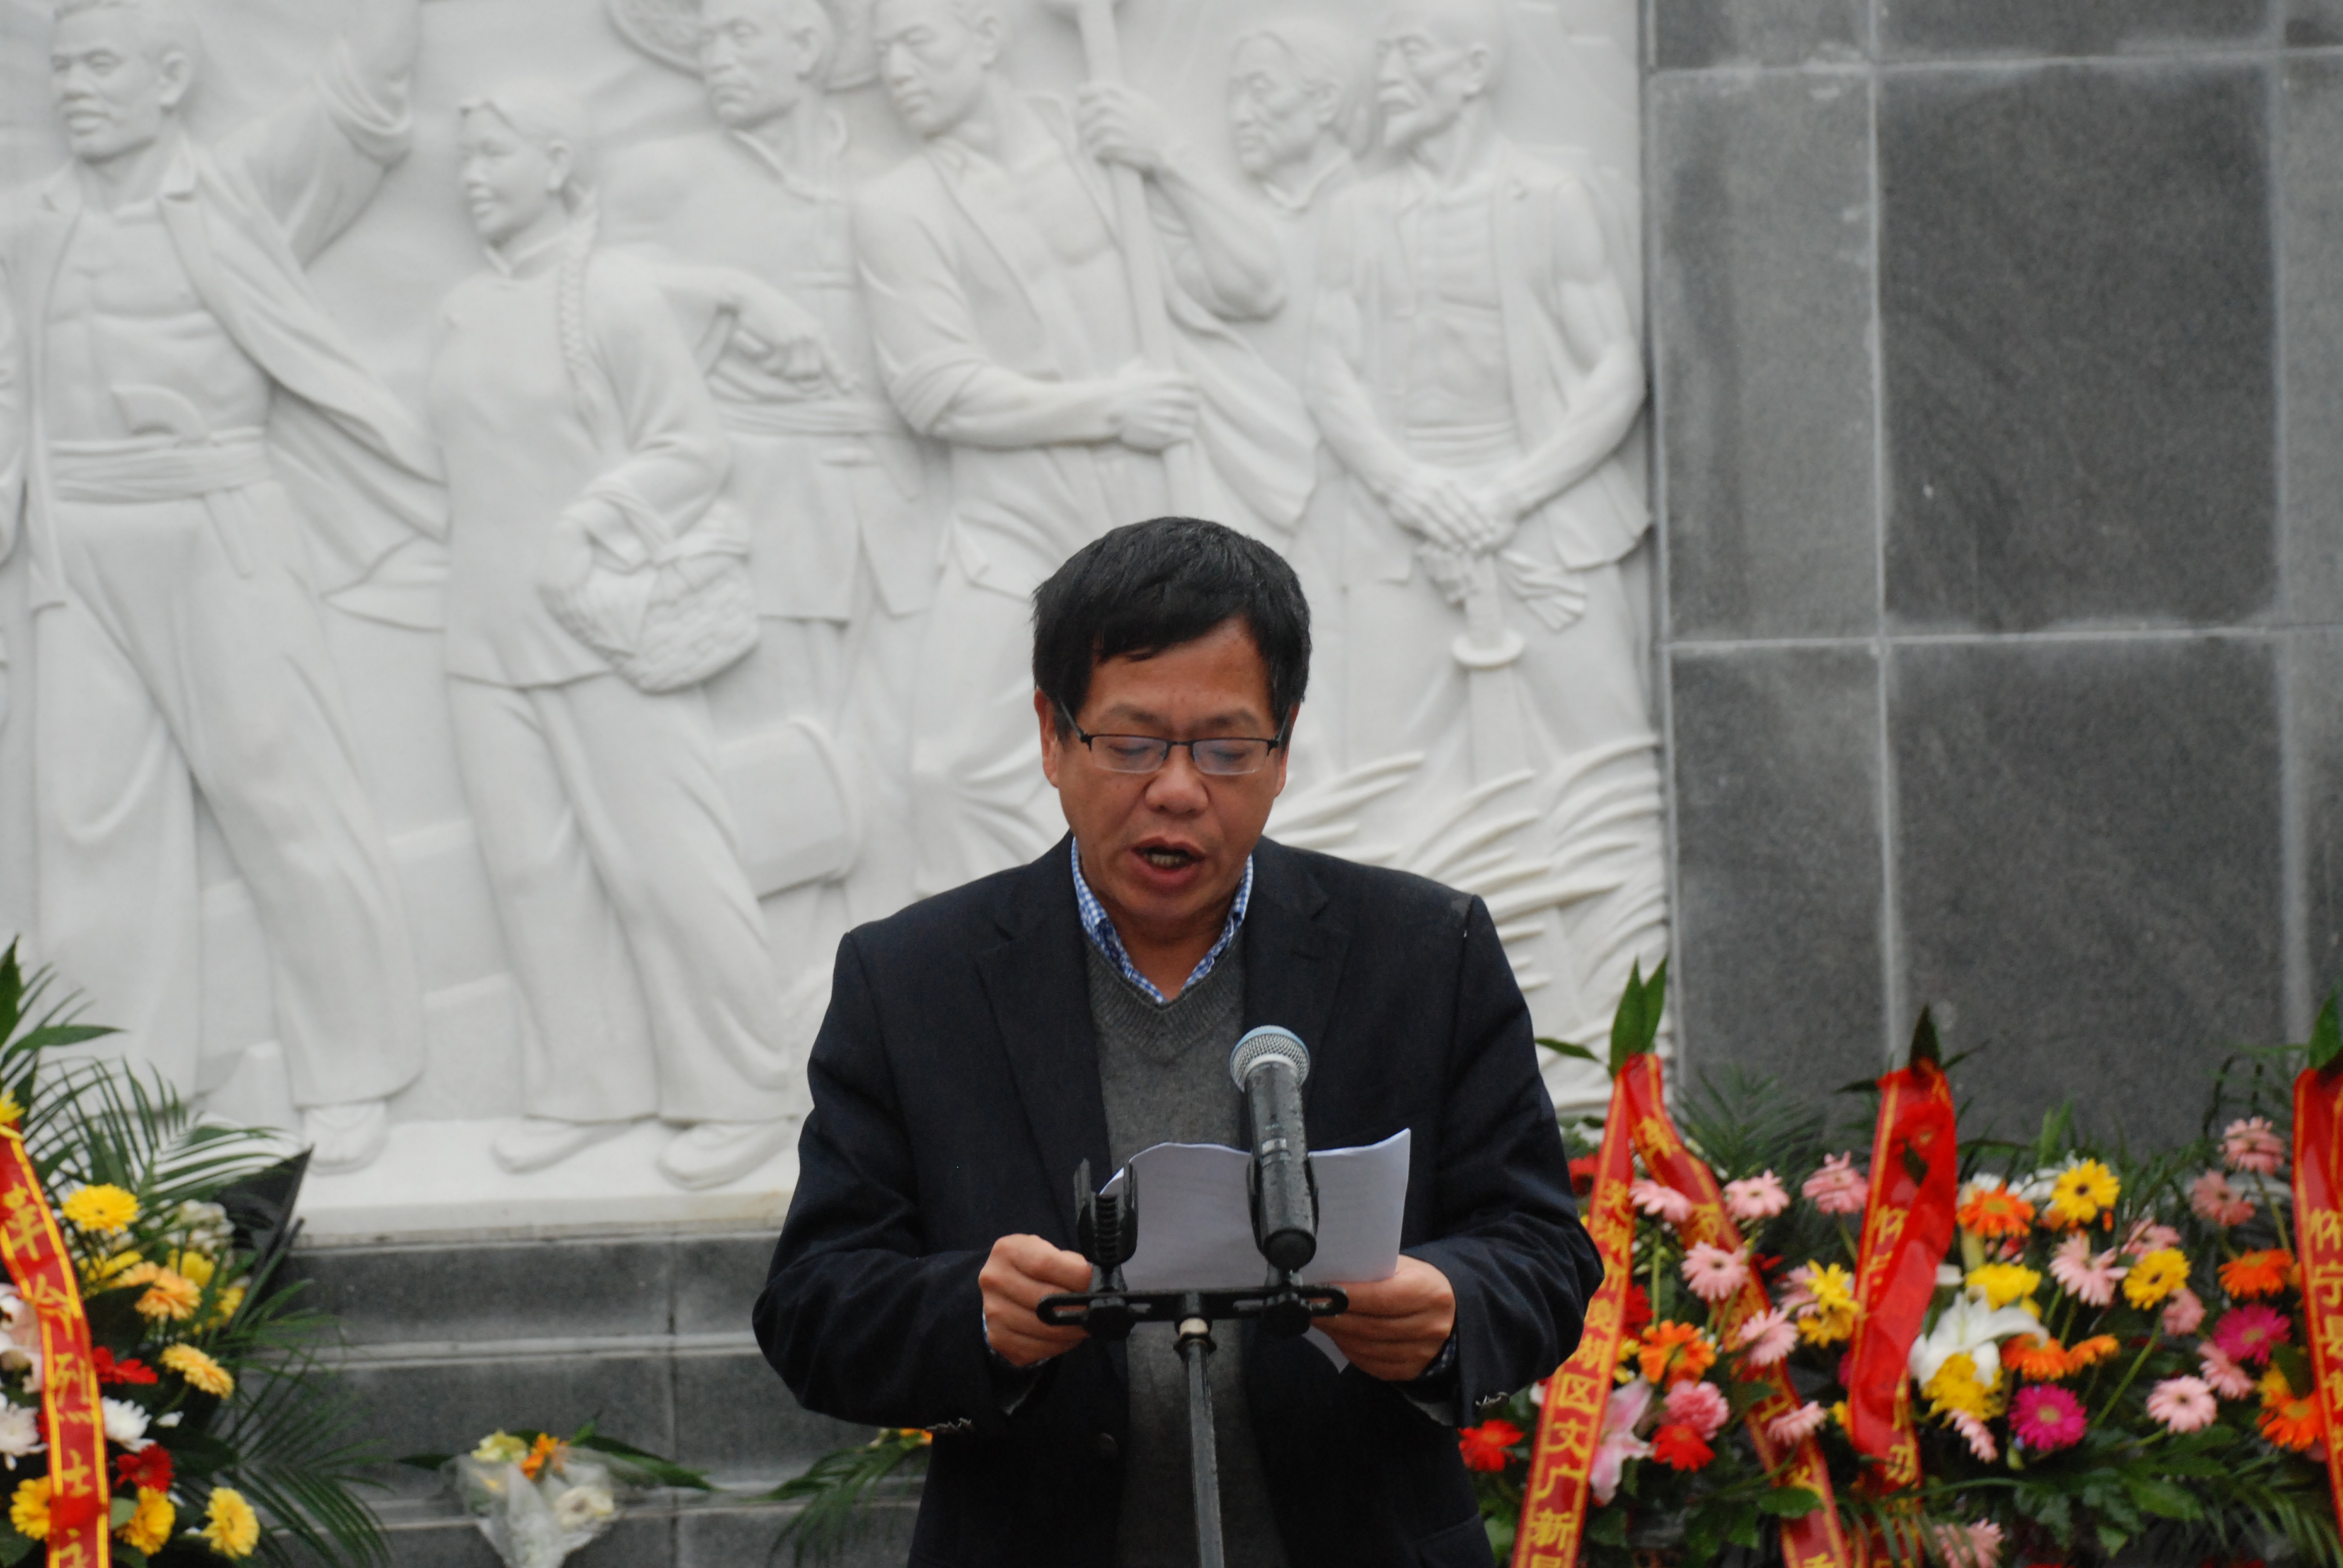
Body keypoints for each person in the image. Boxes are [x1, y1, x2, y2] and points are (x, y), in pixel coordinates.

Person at [756, 517, 1599, 1566]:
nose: (1178, 788)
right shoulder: (914, 981)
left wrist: (1449, 1309)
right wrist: (972, 1316)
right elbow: (813, 1306)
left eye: (1228, 749)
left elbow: (1543, 1252)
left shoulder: (1426, 952)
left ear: (1284, 749)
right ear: (1052, 735)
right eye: (1133, 744)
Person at [0, 0, 437, 1169]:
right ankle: (109, 1105)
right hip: (76, 538)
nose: (72, 88)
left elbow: (358, 98)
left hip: (216, 519)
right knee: (91, 823)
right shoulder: (29, 223)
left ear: (170, 77)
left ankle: (353, 1071)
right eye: (61, 68)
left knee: (281, 788)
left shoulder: (238, 186)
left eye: (101, 65)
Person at [854, 0, 1317, 898]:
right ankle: (1004, 962)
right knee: (949, 768)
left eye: (915, 42)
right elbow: (932, 386)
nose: (896, 71)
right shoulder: (898, 206)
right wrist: (1109, 408)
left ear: (985, 33)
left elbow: (1254, 285)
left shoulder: (1098, 143)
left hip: (1158, 517)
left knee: (1212, 747)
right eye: (882, 54)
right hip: (1015, 521)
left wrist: (1169, 158)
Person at [425, 80, 799, 1190]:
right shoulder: (463, 308)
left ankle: (740, 1090)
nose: (472, 178)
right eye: (464, 159)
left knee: (667, 863)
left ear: (556, 161)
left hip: (602, 623)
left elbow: (692, 448)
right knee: (532, 873)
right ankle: (582, 1089)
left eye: (493, 154)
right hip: (482, 632)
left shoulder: (613, 294)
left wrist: (591, 521)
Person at [1305, 0, 1666, 1053]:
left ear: (1471, 70)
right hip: (1398, 535)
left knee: (1600, 758)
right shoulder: (1356, 213)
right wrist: (1413, 489)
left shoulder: (1550, 200)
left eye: (1410, 54)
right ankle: (1397, 1037)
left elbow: (1614, 369)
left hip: (1547, 529)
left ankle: (1605, 1025)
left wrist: (1509, 495)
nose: (1388, 76)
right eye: (1385, 56)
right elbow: (1330, 370)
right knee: (1386, 778)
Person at [601, 0, 940, 946]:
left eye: (741, 33)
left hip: (897, 502)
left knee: (906, 752)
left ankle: (906, 959)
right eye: (708, 37)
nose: (719, 55)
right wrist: (731, 292)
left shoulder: (885, 172)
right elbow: (592, 293)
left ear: (808, 45)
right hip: (764, 504)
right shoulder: (665, 173)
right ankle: (799, 971)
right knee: (783, 756)